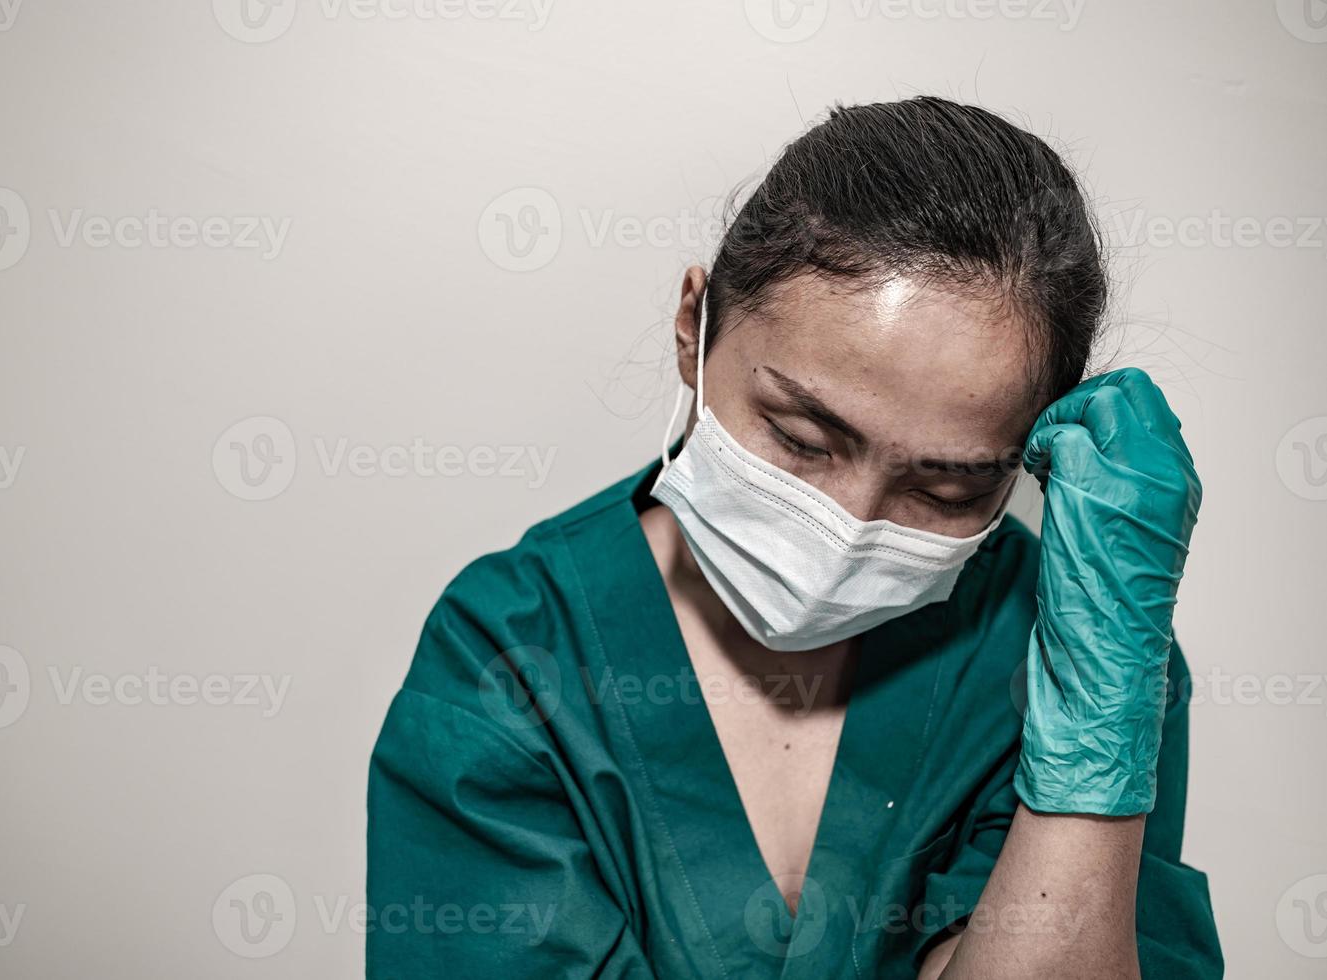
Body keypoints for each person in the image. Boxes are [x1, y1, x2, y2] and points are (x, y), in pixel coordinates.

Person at [366, 97, 1223, 978]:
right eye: (801, 439)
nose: (851, 528)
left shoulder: (1073, 664)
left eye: (945, 485)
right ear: (695, 326)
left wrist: (1089, 750)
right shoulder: (512, 658)